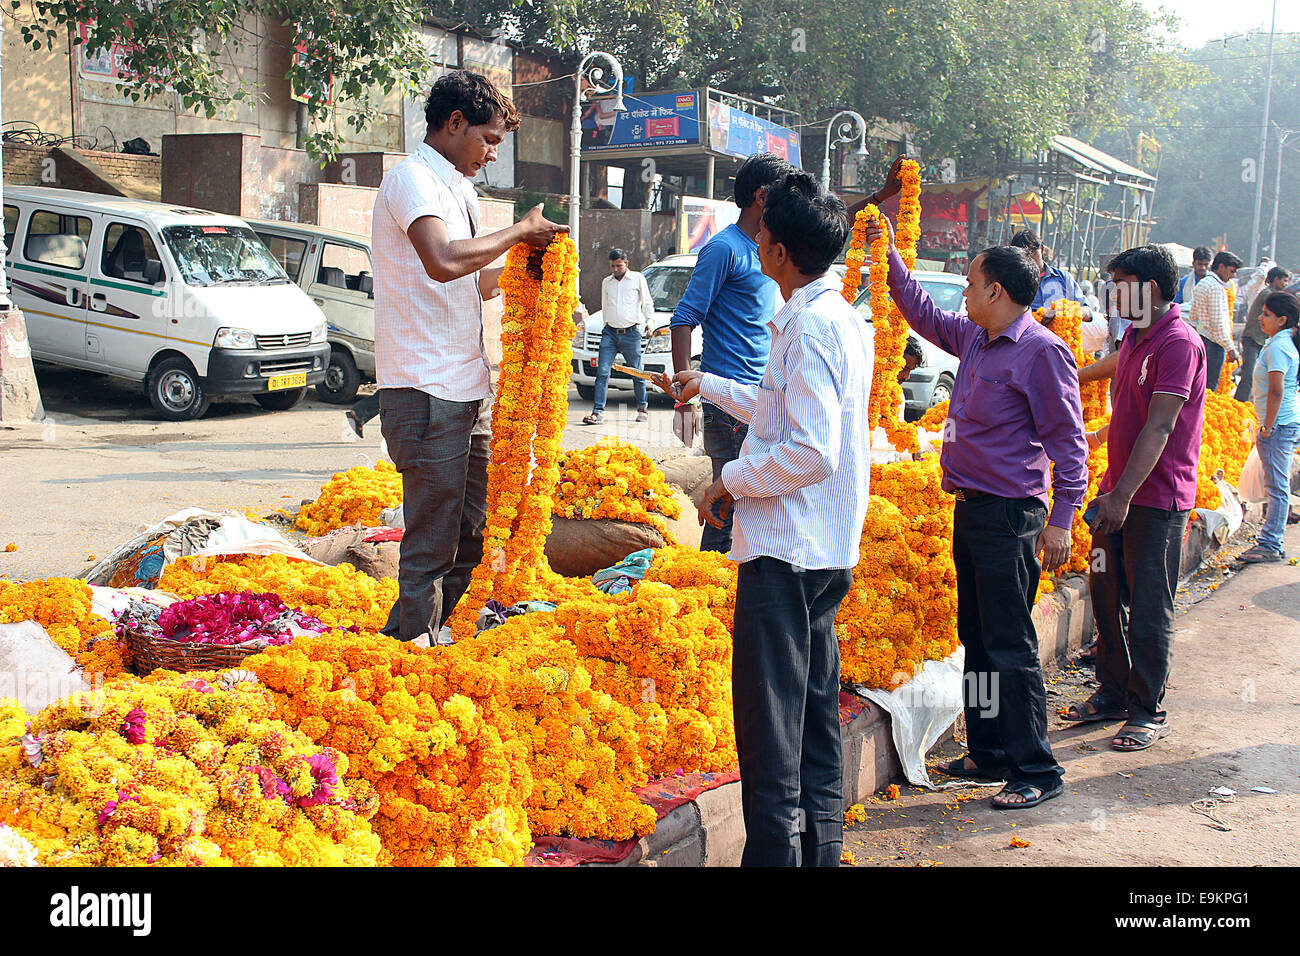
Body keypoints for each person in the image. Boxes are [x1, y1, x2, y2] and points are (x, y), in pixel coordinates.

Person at [662, 170, 872, 866]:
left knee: (771, 731)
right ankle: (821, 853)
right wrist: (712, 386)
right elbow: (783, 412)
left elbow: (810, 449)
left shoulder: (809, 327)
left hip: (788, 553)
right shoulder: (835, 319)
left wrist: (730, 480)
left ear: (778, 252)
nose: (756, 249)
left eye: (763, 240)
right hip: (820, 549)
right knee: (811, 719)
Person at [865, 215, 1087, 810]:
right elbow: (922, 314)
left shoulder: (1042, 353)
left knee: (1010, 642)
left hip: (1012, 516)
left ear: (996, 291)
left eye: (969, 282)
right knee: (978, 639)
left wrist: (1063, 518)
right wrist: (888, 255)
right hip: (971, 510)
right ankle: (988, 750)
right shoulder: (975, 338)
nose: (962, 292)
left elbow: (1070, 445)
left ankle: (1036, 768)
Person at [372, 70, 566, 643]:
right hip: (423, 388)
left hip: (467, 387)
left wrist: (543, 276)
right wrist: (517, 230)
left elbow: (476, 282)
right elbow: (443, 261)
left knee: (473, 533)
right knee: (431, 540)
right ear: (453, 123)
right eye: (488, 140)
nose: (491, 155)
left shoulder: (458, 190)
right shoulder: (410, 181)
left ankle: (414, 637)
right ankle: (412, 652)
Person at [1071, 245, 1206, 754]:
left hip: (1153, 501)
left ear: (1148, 289)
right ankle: (1112, 690)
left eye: (1120, 283)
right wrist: (1100, 434)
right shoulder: (1134, 335)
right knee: (1104, 589)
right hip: (1116, 493)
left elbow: (1162, 423)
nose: (1112, 293)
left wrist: (1122, 495)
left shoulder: (1179, 343)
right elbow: (1123, 387)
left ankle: (1147, 709)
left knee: (1150, 605)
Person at [670, 152, 793, 553]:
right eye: (783, 195)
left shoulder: (771, 249)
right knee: (727, 505)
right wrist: (683, 388)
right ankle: (704, 595)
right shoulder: (724, 248)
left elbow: (821, 222)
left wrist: (877, 199)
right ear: (761, 196)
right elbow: (683, 319)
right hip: (726, 403)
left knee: (750, 506)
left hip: (759, 398)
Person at [1239, 291, 1300, 563]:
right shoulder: (1279, 342)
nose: (1260, 318)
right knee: (1276, 484)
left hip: (1279, 425)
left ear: (1282, 320)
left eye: (1266, 315)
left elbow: (1276, 391)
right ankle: (1270, 540)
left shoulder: (1278, 347)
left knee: (1277, 487)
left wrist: (1267, 427)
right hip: (1281, 423)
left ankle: (1270, 543)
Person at [583, 248, 655, 425]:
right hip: (610, 333)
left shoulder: (637, 278)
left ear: (626, 264)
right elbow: (605, 306)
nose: (615, 269)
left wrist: (650, 322)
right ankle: (597, 412)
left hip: (631, 333)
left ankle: (642, 408)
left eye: (618, 266)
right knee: (602, 372)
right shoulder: (607, 282)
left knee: (636, 372)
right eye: (612, 266)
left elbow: (646, 302)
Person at [1235, 266, 1293, 403]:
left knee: (1259, 376)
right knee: (1249, 375)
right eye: (1284, 281)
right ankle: (1239, 403)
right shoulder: (1269, 295)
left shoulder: (1271, 294)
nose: (1285, 284)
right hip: (1253, 338)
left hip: (1261, 340)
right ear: (1276, 279)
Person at [1188, 249, 1242, 388]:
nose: (1233, 275)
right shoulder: (1216, 288)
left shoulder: (1203, 283)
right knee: (1209, 388)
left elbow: (1193, 315)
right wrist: (1231, 349)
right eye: (1232, 271)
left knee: (1199, 386)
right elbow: (1218, 324)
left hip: (1201, 339)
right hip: (1214, 345)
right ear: (1221, 267)